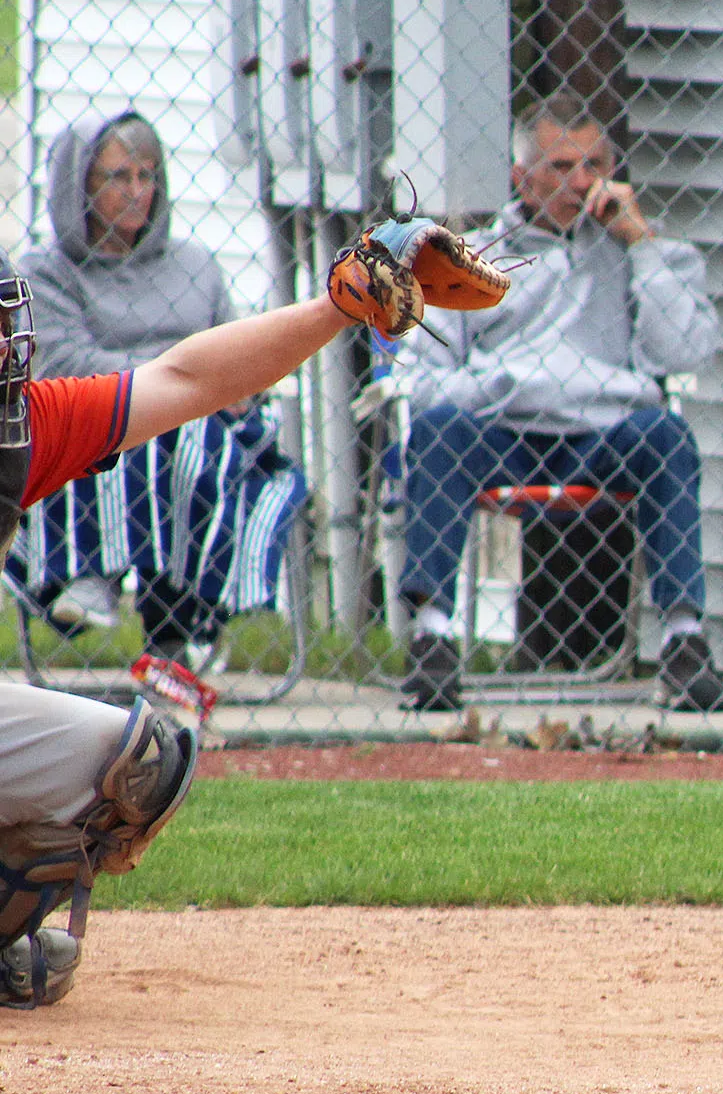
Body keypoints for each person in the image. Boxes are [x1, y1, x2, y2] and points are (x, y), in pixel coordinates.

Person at [3, 246, 427, 1007]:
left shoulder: (23, 431)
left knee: (134, 759)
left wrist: (339, 307)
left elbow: (187, 379)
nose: (5, 351)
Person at [396, 93, 723, 713]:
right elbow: (425, 385)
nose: (583, 182)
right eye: (562, 167)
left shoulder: (640, 254)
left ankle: (684, 642)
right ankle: (433, 641)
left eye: (595, 165)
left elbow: (685, 353)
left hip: (602, 436)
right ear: (521, 178)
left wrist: (643, 244)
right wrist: (506, 383)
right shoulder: (466, 259)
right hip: (500, 433)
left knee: (668, 437)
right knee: (438, 430)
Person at [13, 111, 308, 659]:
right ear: (79, 182)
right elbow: (67, 365)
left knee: (192, 438)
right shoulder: (47, 272)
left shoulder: (196, 268)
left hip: (211, 432)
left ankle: (168, 615)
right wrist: (189, 374)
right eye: (118, 176)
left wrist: (211, 383)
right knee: (119, 418)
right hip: (114, 426)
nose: (137, 191)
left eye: (148, 176)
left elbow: (236, 355)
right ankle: (113, 584)